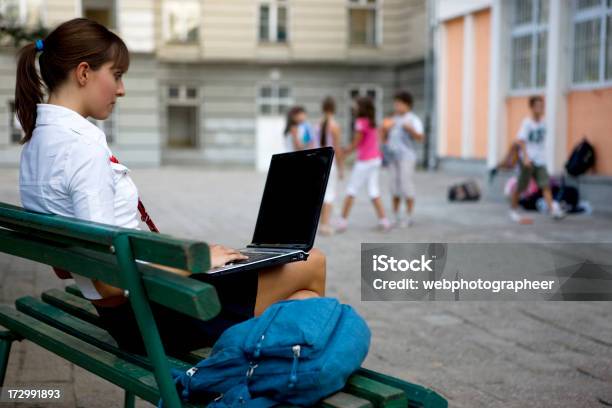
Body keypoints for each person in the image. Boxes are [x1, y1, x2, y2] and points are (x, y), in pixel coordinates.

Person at [15, 18, 326, 355]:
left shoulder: (38, 144)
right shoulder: (81, 147)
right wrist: (191, 262)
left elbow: (66, 267)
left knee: (303, 301)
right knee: (311, 262)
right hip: (153, 317)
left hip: (133, 310)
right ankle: (263, 382)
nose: (121, 90)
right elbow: (109, 280)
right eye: (116, 75)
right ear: (84, 72)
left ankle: (264, 379)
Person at [336, 97, 390, 232]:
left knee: (351, 190)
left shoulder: (360, 122)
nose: (354, 107)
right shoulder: (372, 123)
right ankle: (384, 221)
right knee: (373, 191)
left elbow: (356, 143)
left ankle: (342, 221)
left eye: (356, 105)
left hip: (365, 161)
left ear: (362, 108)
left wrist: (344, 152)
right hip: (376, 159)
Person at [509, 96, 564, 224]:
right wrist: (526, 158)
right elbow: (521, 141)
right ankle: (513, 209)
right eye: (538, 106)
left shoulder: (544, 123)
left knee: (545, 185)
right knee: (521, 187)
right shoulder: (527, 123)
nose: (540, 108)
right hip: (528, 161)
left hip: (540, 160)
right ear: (532, 107)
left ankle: (553, 211)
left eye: (542, 106)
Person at [381, 91, 424, 227]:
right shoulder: (392, 119)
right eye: (396, 103)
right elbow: (383, 137)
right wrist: (385, 130)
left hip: (407, 157)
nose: (397, 106)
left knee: (406, 185)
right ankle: (395, 215)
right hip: (393, 157)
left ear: (407, 104)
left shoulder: (413, 119)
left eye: (400, 103)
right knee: (394, 186)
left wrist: (410, 129)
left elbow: (420, 138)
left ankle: (408, 216)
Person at [317, 96, 344, 236]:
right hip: (330, 163)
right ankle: (325, 225)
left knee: (321, 194)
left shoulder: (319, 123)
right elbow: (337, 149)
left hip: (319, 162)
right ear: (334, 108)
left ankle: (322, 222)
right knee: (329, 194)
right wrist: (341, 168)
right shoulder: (334, 125)